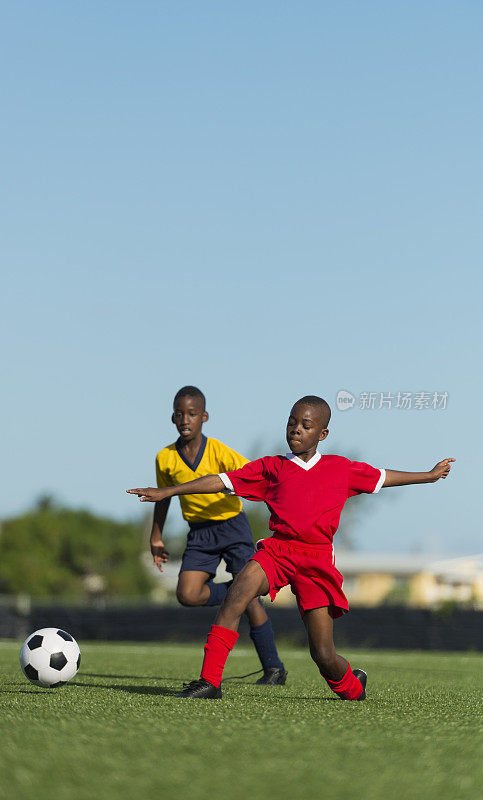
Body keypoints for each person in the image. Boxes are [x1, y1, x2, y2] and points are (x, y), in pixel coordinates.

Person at [128, 394, 455, 700]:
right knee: (237, 594)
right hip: (278, 551)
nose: (296, 429)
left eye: (306, 425)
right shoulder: (271, 467)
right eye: (291, 422)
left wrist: (427, 475)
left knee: (324, 655)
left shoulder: (341, 469)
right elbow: (221, 480)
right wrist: (169, 492)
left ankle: (354, 687)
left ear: (322, 434)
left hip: (317, 561)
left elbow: (383, 477)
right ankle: (209, 682)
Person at [148, 385, 286, 685]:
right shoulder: (165, 458)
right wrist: (156, 536)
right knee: (187, 594)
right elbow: (164, 497)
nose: (186, 419)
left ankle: (274, 668)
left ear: (204, 417)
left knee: (250, 601)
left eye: (193, 414)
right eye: (180, 414)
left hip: (232, 527)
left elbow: (254, 477)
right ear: (173, 418)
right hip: (199, 533)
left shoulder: (221, 452)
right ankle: (240, 588)